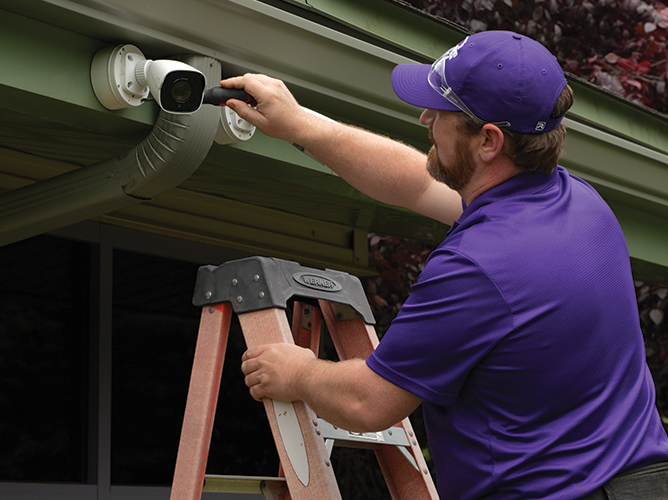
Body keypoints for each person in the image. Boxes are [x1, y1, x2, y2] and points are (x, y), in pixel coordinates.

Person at [223, 30, 668, 499]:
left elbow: (369, 400)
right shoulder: (580, 205)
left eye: (440, 113)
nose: (424, 118)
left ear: (489, 142)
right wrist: (302, 126)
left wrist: (297, 372)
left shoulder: (477, 267)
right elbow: (416, 183)